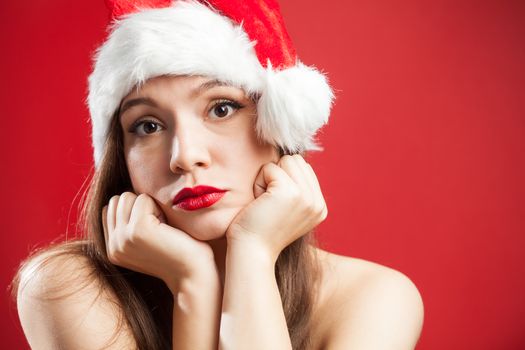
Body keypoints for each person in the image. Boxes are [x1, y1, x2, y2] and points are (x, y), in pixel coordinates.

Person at [11, 0, 424, 349]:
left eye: (222, 108)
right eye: (148, 126)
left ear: (278, 128)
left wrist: (253, 253)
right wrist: (193, 284)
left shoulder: (373, 298)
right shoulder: (65, 288)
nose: (185, 156)